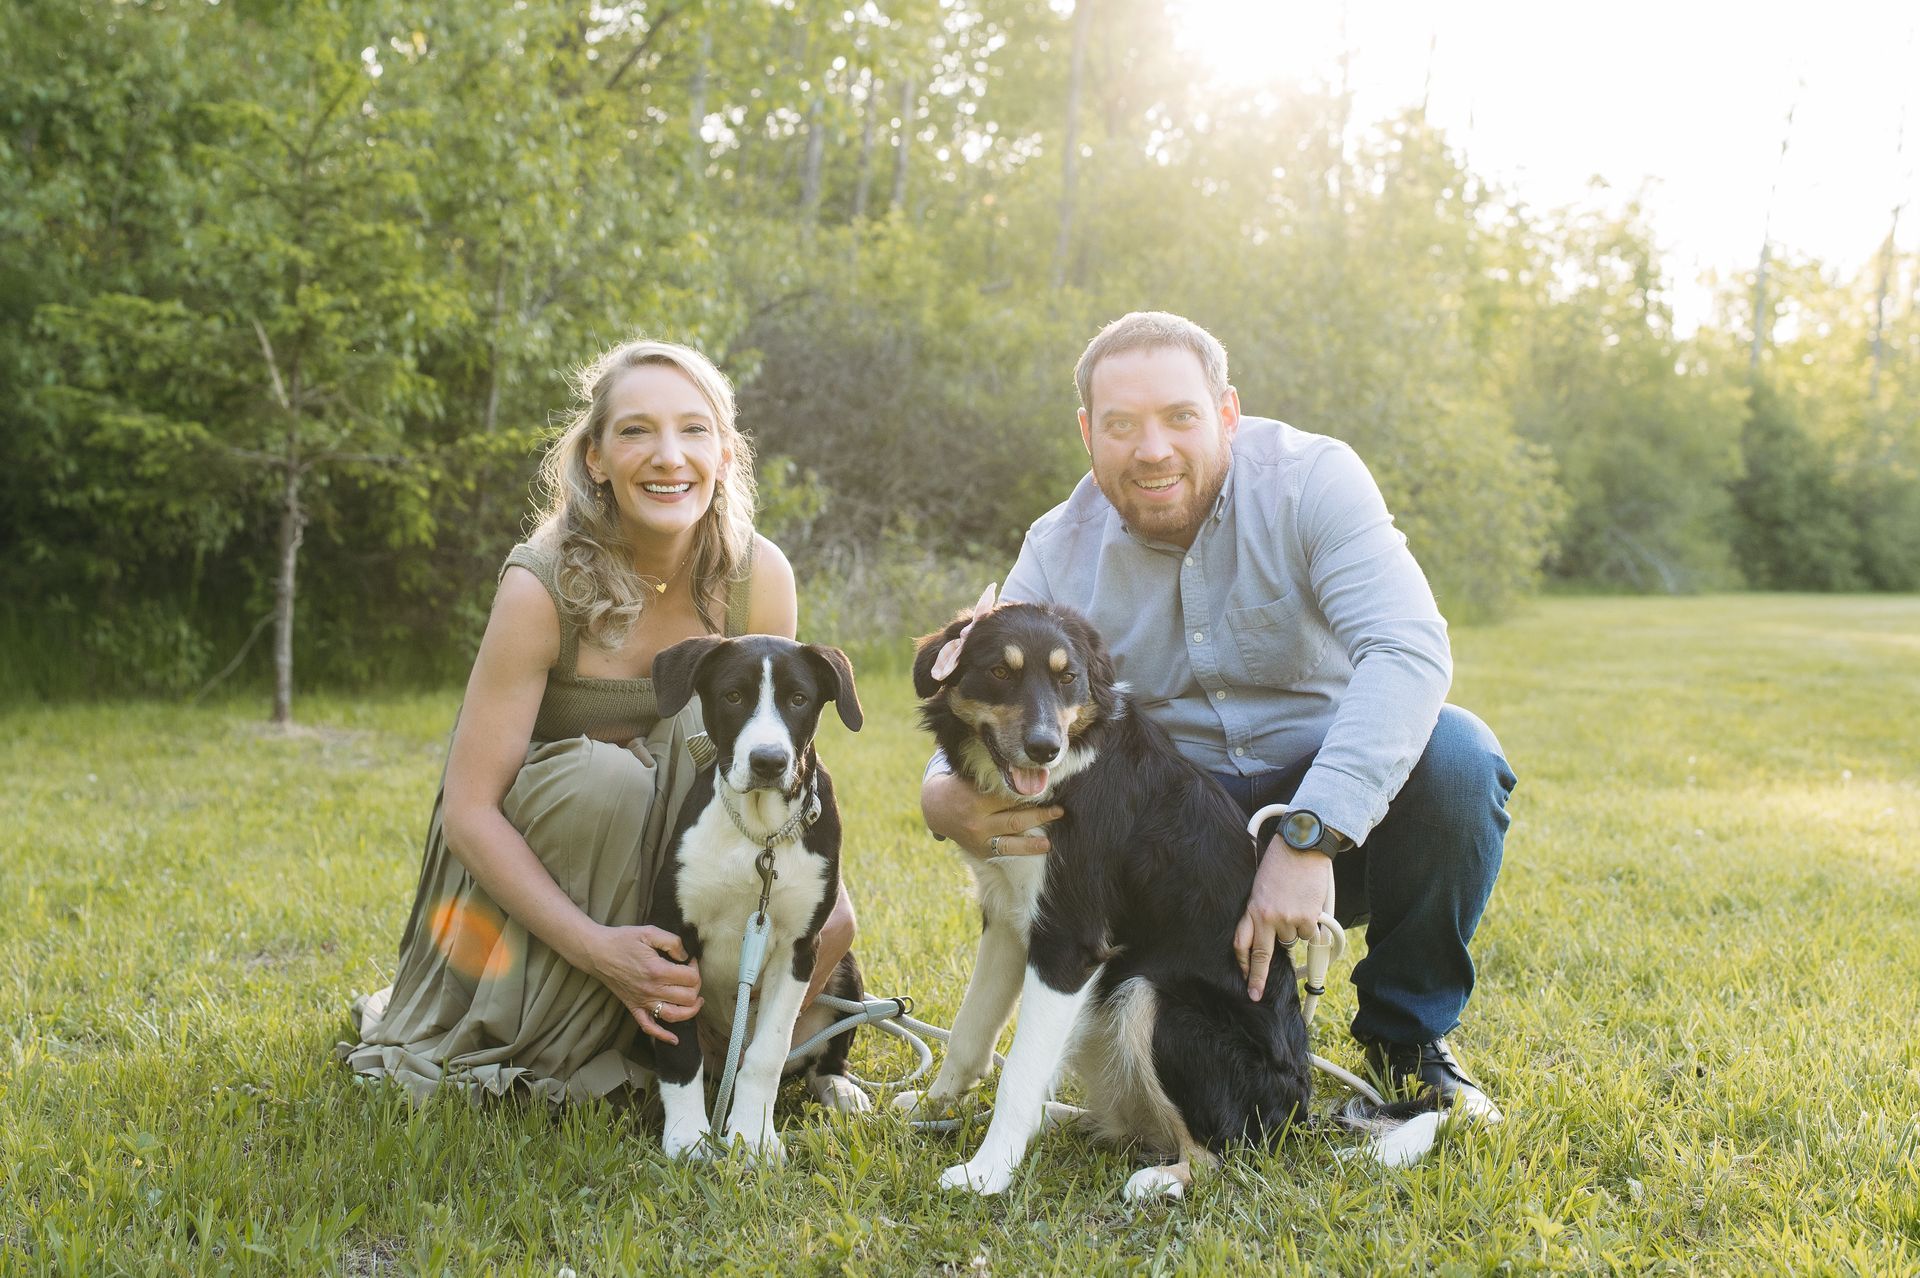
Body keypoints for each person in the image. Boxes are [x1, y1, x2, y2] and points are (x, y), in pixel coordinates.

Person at [920, 311, 1513, 1111]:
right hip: (1170, 841)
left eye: (1180, 417)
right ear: (1087, 434)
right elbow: (983, 681)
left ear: (1227, 413)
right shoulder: (1056, 546)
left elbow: (1408, 652)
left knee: (1460, 759)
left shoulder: (1314, 482)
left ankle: (1406, 1041)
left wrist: (1311, 834)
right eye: (1122, 425)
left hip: (1333, 811)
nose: (1152, 448)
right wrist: (940, 790)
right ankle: (1175, 1042)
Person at [342, 338, 855, 1104]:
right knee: (606, 776)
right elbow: (469, 811)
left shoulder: (759, 577)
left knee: (812, 892)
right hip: (552, 854)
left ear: (723, 452)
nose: (668, 455)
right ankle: (571, 1008)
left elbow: (775, 750)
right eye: (636, 430)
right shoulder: (540, 586)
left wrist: (815, 899)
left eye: (693, 430)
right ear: (595, 458)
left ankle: (705, 1028)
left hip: (677, 854)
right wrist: (599, 949)